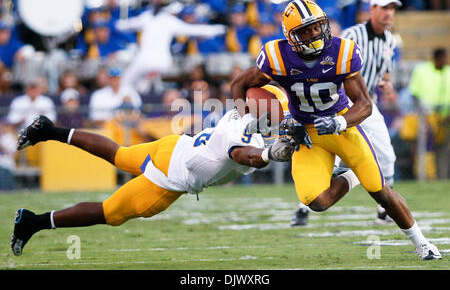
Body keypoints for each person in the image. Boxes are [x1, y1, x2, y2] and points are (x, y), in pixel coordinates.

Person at [230, 0, 442, 260]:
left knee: (380, 191)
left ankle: (422, 243)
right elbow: (239, 85)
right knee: (315, 202)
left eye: (317, 27)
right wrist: (245, 121)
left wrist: (340, 121)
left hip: (342, 127)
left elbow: (364, 105)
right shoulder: (276, 55)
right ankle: (353, 175)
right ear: (291, 36)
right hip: (306, 134)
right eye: (305, 31)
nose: (314, 34)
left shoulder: (342, 52)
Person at [10, 95, 296, 256]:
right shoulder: (250, 139)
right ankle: (32, 222)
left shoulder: (239, 114)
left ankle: (49, 130)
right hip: (170, 177)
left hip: (174, 146)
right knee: (110, 213)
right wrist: (270, 155)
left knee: (120, 155)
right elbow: (242, 155)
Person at [291, 0, 402, 226]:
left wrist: (387, 85)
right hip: (341, 102)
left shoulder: (390, 40)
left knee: (386, 156)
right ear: (372, 9)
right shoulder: (353, 35)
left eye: (392, 8)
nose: (388, 13)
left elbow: (384, 72)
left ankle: (385, 210)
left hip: (366, 102)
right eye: (384, 7)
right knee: (336, 157)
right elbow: (330, 61)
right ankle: (304, 207)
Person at [114, 0, 226, 91]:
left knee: (125, 83)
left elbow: (124, 25)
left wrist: (116, 23)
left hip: (147, 62)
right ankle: (146, 88)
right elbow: (193, 30)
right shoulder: (152, 18)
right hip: (161, 63)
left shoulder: (159, 19)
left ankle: (141, 95)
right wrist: (219, 29)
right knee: (137, 85)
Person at [408, 47, 450, 179]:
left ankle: (442, 177)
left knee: (443, 150)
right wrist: (423, 113)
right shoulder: (422, 70)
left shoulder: (448, 72)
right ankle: (423, 176)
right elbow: (414, 93)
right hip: (425, 117)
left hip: (444, 118)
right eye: (443, 58)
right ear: (437, 58)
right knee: (424, 148)